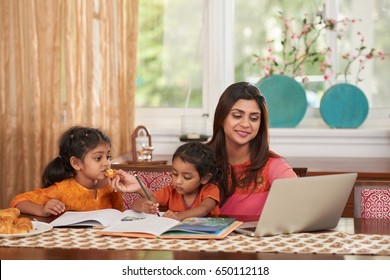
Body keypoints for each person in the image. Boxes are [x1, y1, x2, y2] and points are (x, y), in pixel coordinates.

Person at [206, 81, 297, 217]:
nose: (245, 124)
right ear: (221, 118)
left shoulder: (273, 166)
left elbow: (300, 202)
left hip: (257, 238)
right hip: (205, 238)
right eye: (237, 116)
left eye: (254, 118)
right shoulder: (199, 160)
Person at [10, 125, 139, 217]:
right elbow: (18, 201)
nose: (106, 163)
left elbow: (120, 215)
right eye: (98, 158)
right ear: (76, 163)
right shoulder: (62, 189)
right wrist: (42, 210)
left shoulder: (110, 187)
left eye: (108, 157)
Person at [112, 142, 222, 221]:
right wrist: (143, 206)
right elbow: (138, 203)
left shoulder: (210, 190)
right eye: (174, 174)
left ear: (204, 178)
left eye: (187, 177)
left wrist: (179, 216)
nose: (178, 181)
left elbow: (203, 209)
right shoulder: (170, 190)